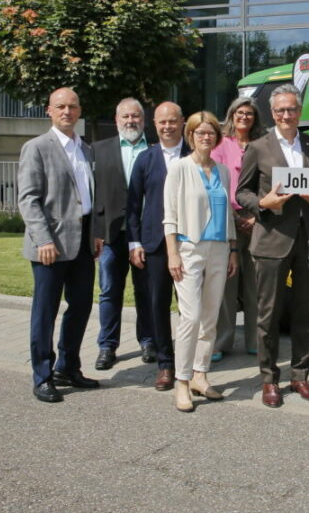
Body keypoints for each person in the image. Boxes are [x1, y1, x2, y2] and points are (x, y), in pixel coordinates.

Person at [236, 84, 309, 408]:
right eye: (280, 110)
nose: (286, 115)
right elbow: (242, 193)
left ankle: (300, 376)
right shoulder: (258, 147)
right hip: (272, 239)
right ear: (273, 113)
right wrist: (263, 203)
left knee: (305, 312)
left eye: (291, 109)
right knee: (268, 315)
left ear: (300, 111)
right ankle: (269, 379)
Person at [17, 87, 102, 403]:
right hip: (50, 245)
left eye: (73, 106)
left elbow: (88, 198)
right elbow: (28, 199)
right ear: (49, 110)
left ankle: (68, 367)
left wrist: (95, 233)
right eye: (61, 106)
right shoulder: (36, 148)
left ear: (80, 111)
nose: (67, 111)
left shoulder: (86, 149)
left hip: (83, 243)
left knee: (80, 307)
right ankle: (42, 375)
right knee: (45, 311)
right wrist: (43, 239)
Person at [163, 111, 238, 412]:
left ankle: (200, 375)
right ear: (190, 136)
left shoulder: (223, 171)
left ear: (217, 137)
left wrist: (233, 249)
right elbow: (169, 216)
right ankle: (181, 381)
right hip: (189, 249)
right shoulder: (179, 168)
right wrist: (172, 253)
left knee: (210, 317)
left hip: (219, 249)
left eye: (211, 133)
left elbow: (228, 213)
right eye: (200, 132)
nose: (206, 137)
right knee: (191, 317)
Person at [128, 102, 190, 392]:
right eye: (162, 122)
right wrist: (135, 242)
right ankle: (165, 364)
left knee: (190, 308)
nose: (167, 126)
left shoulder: (196, 155)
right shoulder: (145, 159)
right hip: (154, 244)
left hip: (190, 243)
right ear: (154, 124)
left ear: (182, 122)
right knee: (158, 305)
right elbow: (132, 205)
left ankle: (191, 364)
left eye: (172, 121)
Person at [92, 97, 154, 371]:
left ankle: (149, 341)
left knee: (147, 291)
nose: (131, 121)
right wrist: (96, 231)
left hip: (147, 233)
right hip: (112, 234)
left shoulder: (155, 150)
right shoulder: (98, 149)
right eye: (125, 116)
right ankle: (107, 345)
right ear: (117, 120)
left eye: (135, 116)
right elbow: (93, 193)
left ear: (144, 120)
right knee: (109, 291)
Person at [212, 97, 265, 361]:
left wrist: (255, 216)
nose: (244, 117)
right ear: (232, 115)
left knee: (256, 284)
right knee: (227, 284)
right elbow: (215, 182)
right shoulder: (220, 144)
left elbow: (267, 182)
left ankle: (256, 340)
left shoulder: (262, 144)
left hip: (257, 219)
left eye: (249, 113)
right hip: (227, 218)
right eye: (240, 112)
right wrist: (234, 215)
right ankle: (222, 341)